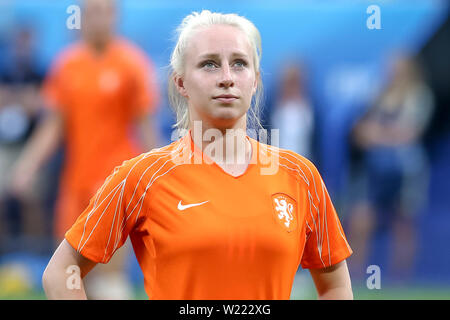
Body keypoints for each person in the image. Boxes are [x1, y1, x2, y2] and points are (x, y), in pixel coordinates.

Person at [42, 10, 353, 300]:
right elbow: (61, 270)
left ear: (255, 81)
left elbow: (334, 283)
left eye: (240, 63)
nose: (227, 77)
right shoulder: (142, 177)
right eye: (209, 64)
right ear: (181, 83)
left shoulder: (300, 176)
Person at [10, 0, 160, 298]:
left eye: (104, 11)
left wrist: (157, 180)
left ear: (115, 16)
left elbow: (145, 128)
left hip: (116, 187)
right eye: (91, 12)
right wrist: (26, 166)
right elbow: (53, 126)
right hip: (74, 185)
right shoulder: (67, 65)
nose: (98, 19)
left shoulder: (132, 64)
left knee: (108, 278)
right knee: (68, 273)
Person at [348, 55, 434, 280]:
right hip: (374, 169)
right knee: (361, 219)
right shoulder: (377, 95)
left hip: (406, 170)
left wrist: (376, 133)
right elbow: (359, 132)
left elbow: (408, 133)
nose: (392, 73)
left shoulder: (419, 96)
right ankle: (354, 279)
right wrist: (380, 133)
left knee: (403, 223)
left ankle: (400, 282)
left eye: (397, 69)